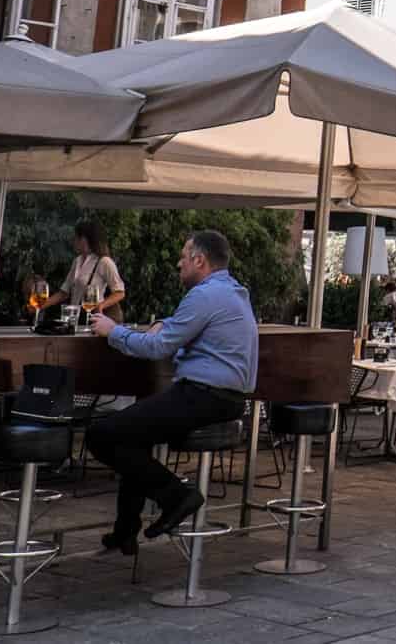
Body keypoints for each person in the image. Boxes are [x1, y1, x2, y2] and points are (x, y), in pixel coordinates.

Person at [85, 230, 259, 556]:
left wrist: (113, 331)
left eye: (183, 255)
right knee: (133, 437)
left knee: (101, 434)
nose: (178, 263)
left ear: (199, 260)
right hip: (225, 399)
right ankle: (125, 529)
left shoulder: (205, 295)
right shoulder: (230, 292)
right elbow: (184, 325)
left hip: (205, 396)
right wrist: (165, 321)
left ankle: (177, 496)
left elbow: (157, 348)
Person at [57, 220, 125, 323]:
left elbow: (120, 292)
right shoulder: (77, 261)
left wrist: (101, 305)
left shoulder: (104, 261)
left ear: (84, 239)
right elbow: (64, 293)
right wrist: (40, 306)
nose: (73, 241)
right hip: (75, 319)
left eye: (75, 238)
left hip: (94, 318)